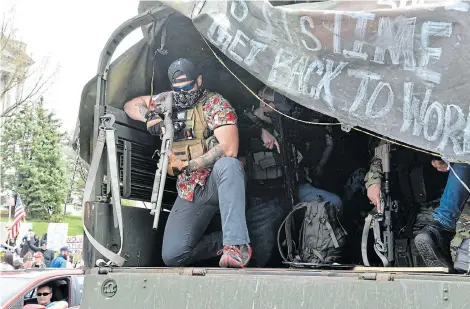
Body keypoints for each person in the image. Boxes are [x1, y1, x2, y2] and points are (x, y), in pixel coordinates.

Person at [123, 58, 251, 268]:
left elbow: (230, 148)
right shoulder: (167, 101)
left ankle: (236, 245)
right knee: (173, 256)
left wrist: (187, 166)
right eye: (178, 87)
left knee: (229, 164)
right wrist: (150, 116)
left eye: (188, 86)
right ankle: (226, 239)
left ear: (199, 80)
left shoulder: (215, 103)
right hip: (189, 189)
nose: (183, 92)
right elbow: (130, 105)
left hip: (216, 183)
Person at [240, 86, 343, 267]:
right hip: (263, 198)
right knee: (262, 254)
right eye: (276, 108)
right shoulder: (244, 124)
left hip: (295, 189)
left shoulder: (285, 123)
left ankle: (316, 255)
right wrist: (257, 132)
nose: (280, 112)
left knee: (333, 203)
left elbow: (314, 135)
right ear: (264, 103)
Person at [365, 140, 467, 268]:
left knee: (459, 255)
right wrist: (374, 180)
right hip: (414, 205)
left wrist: (452, 161)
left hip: (452, 202)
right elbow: (383, 146)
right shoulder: (400, 123)